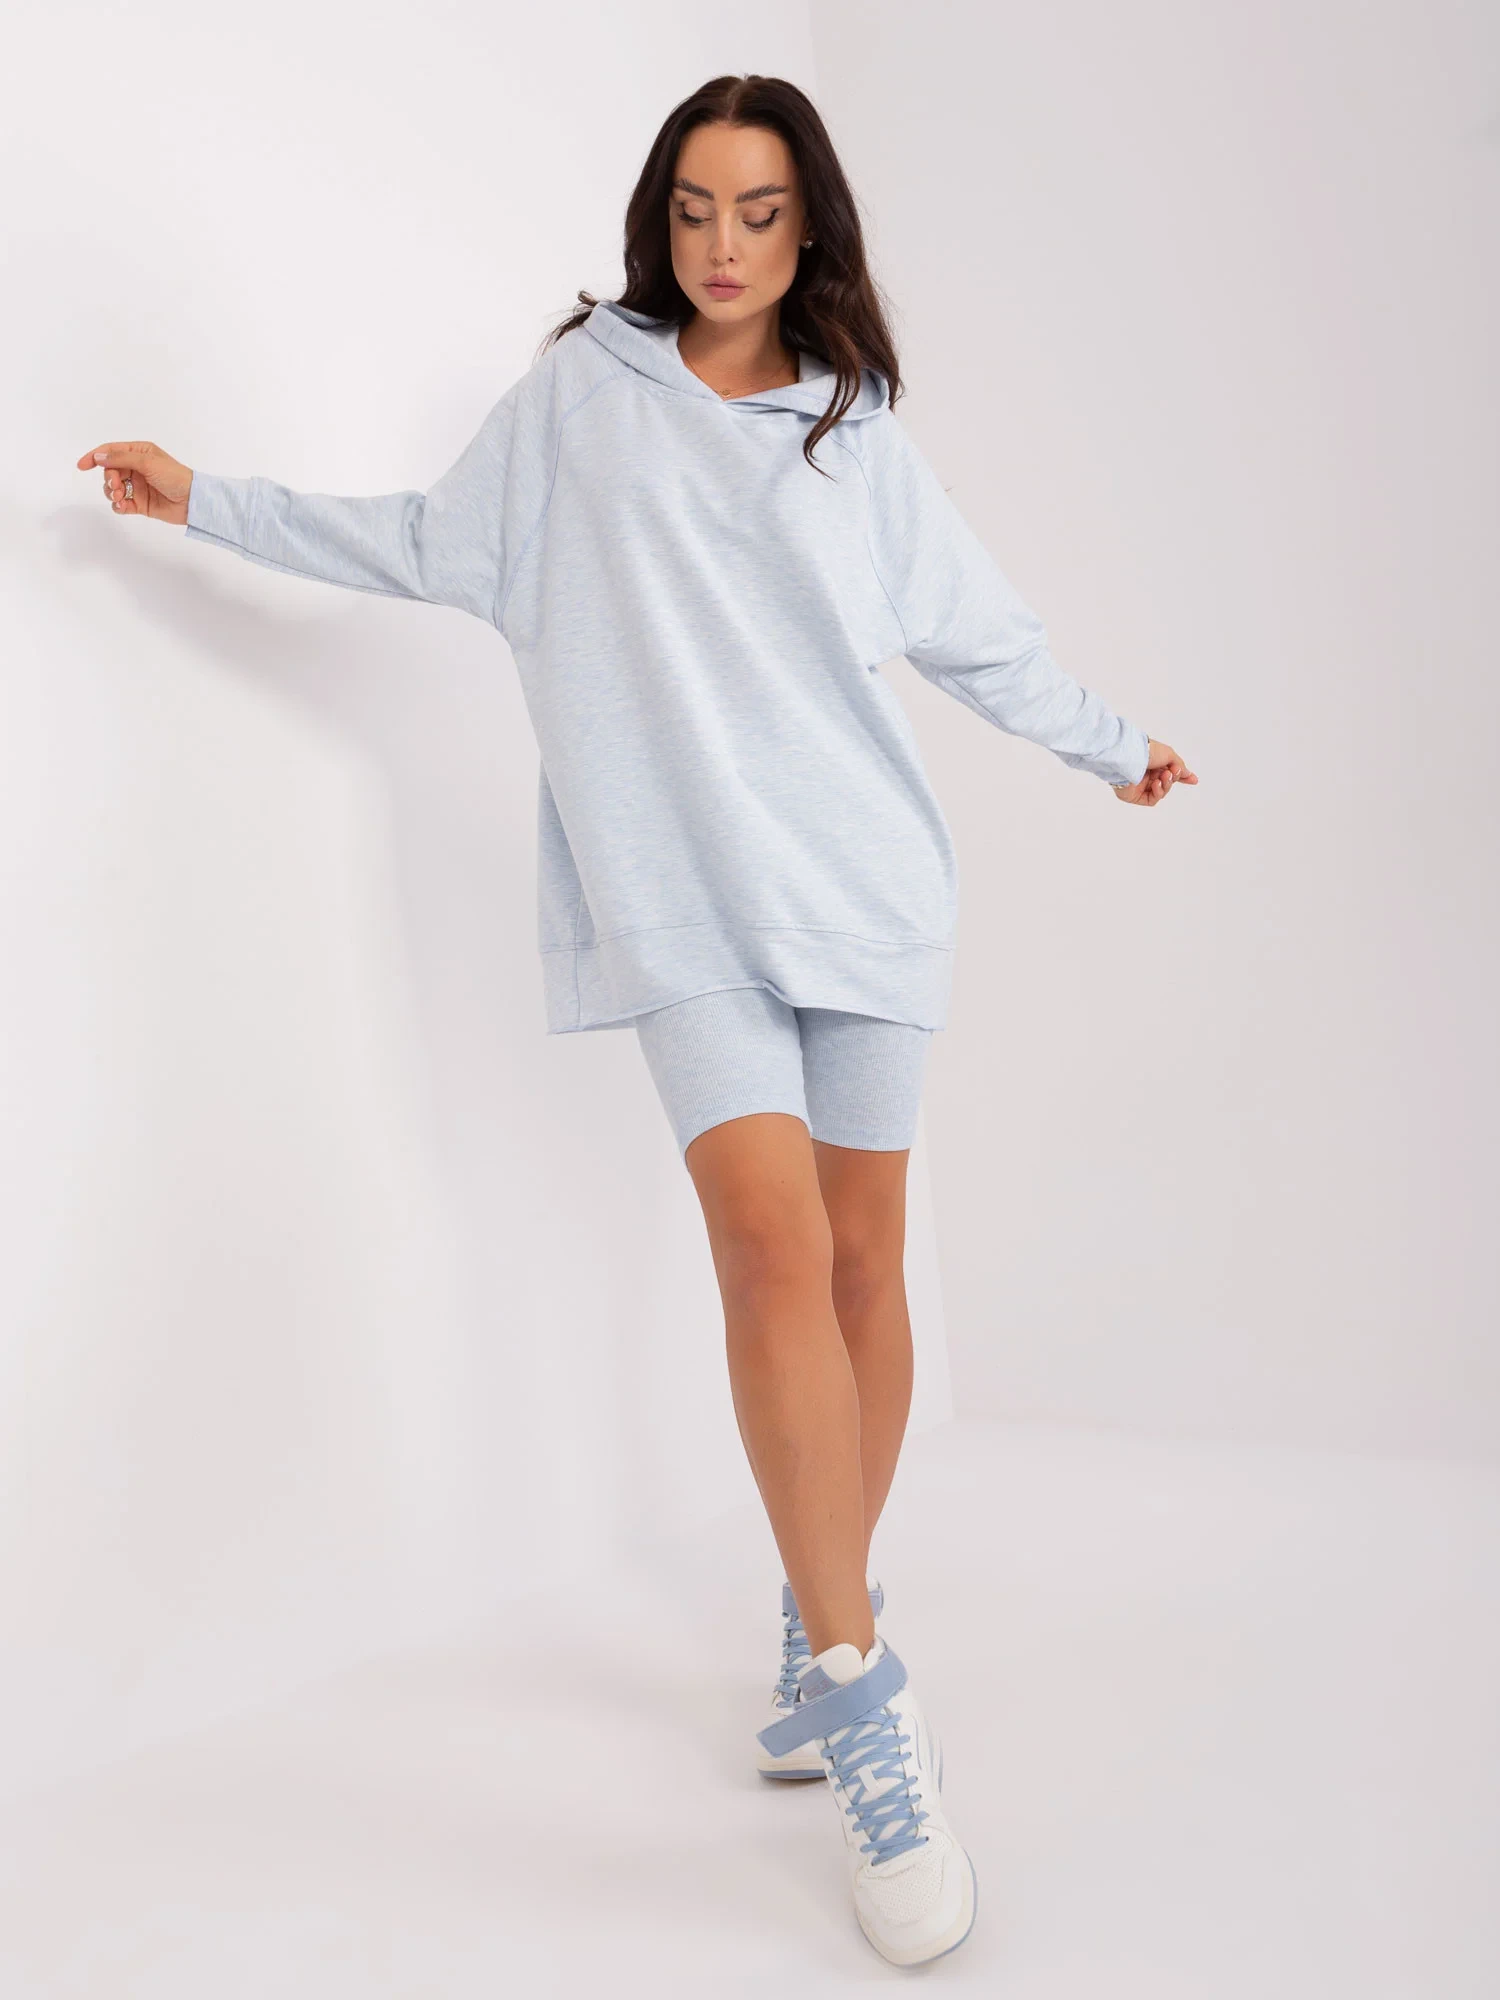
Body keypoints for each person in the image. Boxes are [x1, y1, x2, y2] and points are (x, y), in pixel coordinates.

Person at [76, 71, 1196, 1970]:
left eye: (757, 211)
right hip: (679, 901)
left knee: (864, 1264)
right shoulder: (584, 397)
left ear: (809, 225)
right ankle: (866, 1702)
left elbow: (975, 629)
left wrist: (1108, 743)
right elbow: (427, 542)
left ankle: (814, 1609)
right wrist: (207, 499)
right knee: (767, 1250)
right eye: (692, 207)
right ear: (656, 217)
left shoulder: (854, 425)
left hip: (864, 886)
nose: (721, 244)